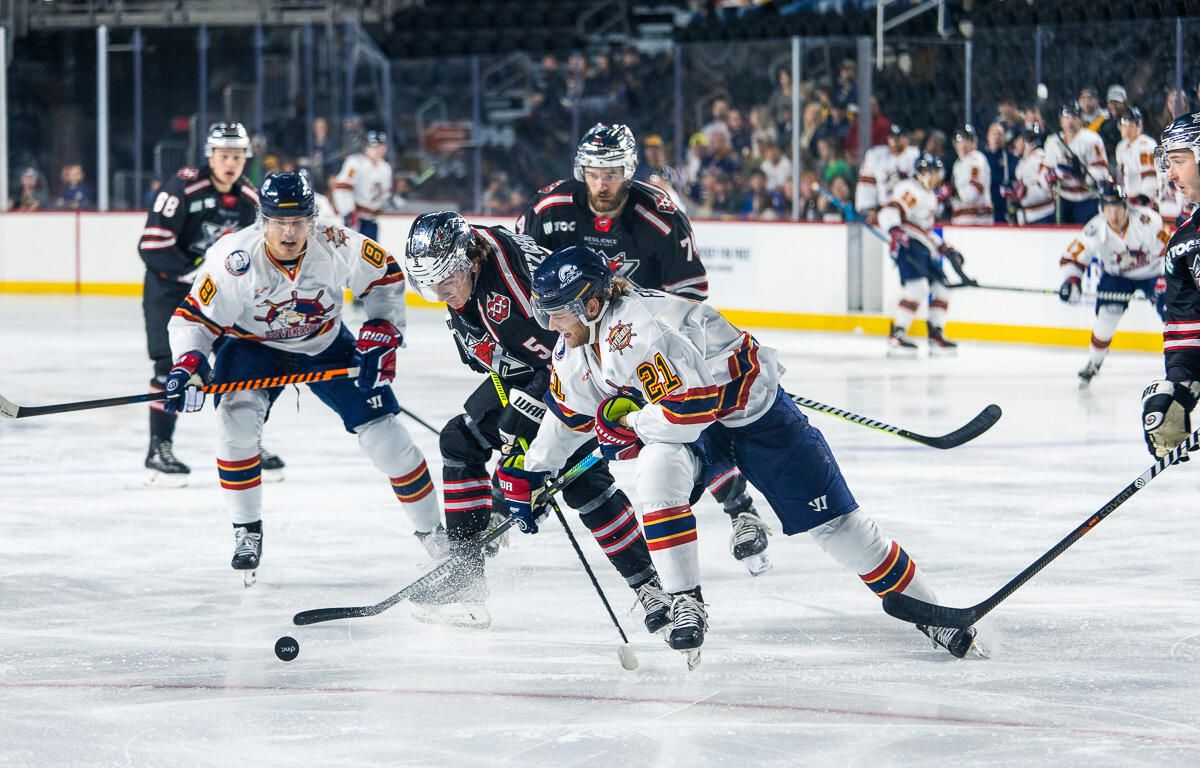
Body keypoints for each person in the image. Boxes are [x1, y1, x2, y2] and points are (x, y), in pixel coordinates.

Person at [497, 245, 986, 667]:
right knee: (656, 474)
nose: (551, 324)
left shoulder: (642, 331)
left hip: (755, 417)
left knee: (839, 530)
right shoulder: (576, 345)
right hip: (693, 424)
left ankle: (932, 615)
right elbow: (569, 415)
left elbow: (690, 410)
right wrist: (533, 468)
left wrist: (628, 425)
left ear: (592, 303)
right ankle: (686, 601)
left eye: (557, 311)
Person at [517, 122, 773, 574]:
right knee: (564, 415)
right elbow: (530, 279)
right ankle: (524, 484)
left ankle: (740, 510)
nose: (601, 184)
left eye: (612, 173)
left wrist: (653, 350)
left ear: (629, 169)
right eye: (594, 173)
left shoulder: (659, 214)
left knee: (688, 418)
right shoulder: (549, 207)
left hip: (652, 341)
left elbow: (690, 294)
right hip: (578, 337)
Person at [163, 171, 442, 584]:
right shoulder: (234, 258)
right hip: (253, 349)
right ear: (263, 220)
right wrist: (188, 362)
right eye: (279, 222)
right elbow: (193, 319)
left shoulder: (337, 242)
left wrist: (382, 327)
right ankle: (247, 529)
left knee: (389, 441)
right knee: (234, 427)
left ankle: (434, 535)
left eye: (298, 222)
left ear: (312, 219)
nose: (289, 232)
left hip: (325, 344)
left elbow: (385, 275)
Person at [402, 211, 673, 630]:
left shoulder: (510, 290)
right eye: (429, 286)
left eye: (447, 282)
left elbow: (561, 364)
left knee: (582, 481)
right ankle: (464, 576)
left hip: (587, 374)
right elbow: (508, 362)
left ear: (469, 261)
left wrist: (521, 447)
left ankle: (652, 588)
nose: (440, 294)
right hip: (534, 371)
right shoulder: (471, 263)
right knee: (461, 439)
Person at [137, 122, 284, 485]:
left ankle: (247, 442)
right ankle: (159, 449)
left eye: (237, 156)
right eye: (223, 155)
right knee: (167, 368)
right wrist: (194, 272)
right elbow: (152, 246)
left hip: (220, 294)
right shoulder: (183, 186)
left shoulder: (250, 198)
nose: (230, 162)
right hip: (169, 292)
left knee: (245, 363)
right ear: (210, 156)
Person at [1060, 181, 1168, 385]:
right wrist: (1072, 281)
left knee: (1173, 313)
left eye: (1117, 207)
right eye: (1108, 208)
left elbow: (1172, 252)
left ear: (1126, 206)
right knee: (1106, 319)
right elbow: (1072, 259)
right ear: (1102, 209)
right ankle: (1094, 363)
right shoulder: (1094, 229)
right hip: (1117, 277)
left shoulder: (1148, 221)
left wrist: (1170, 277)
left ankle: (1188, 362)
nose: (1114, 214)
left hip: (1153, 273)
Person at [1141, 112, 1200, 460]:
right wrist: (1177, 391)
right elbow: (1187, 334)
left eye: (1179, 161)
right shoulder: (1182, 243)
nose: (1171, 174)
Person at [879, 154, 974, 357]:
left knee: (942, 288)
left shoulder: (929, 196)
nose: (937, 178)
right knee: (917, 289)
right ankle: (898, 333)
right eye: (934, 173)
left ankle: (935, 334)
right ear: (923, 173)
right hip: (909, 245)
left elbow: (926, 229)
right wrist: (895, 230)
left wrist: (943, 247)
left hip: (924, 246)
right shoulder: (910, 189)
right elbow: (889, 212)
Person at [1044, 102, 1109, 224]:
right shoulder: (1052, 141)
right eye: (1066, 117)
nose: (1070, 121)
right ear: (1060, 121)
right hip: (1064, 198)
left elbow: (1102, 172)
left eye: (1074, 117)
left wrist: (1081, 174)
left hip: (1088, 198)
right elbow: (1047, 170)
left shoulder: (1092, 139)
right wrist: (1051, 176)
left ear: (1080, 119)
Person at [332, 130, 392, 242]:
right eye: (375, 146)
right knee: (352, 254)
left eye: (382, 146)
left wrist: (391, 202)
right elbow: (342, 188)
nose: (379, 149)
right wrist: (347, 212)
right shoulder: (355, 163)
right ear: (366, 147)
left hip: (372, 220)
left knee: (371, 257)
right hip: (356, 219)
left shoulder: (385, 167)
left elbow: (384, 195)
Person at [854, 124, 918, 225]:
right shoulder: (876, 156)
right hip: (884, 214)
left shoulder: (917, 157)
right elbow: (866, 185)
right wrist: (869, 209)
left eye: (899, 137)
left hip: (911, 215)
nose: (895, 141)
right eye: (892, 137)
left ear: (907, 139)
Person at [1003, 124, 1055, 225]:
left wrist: (1023, 193)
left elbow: (1048, 190)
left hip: (1043, 215)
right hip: (1026, 216)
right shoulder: (1023, 162)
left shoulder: (1041, 159)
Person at [949, 125, 993, 225]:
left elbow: (972, 194)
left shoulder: (976, 161)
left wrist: (955, 192)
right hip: (962, 219)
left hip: (977, 221)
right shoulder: (958, 164)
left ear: (973, 142)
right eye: (960, 141)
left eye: (966, 140)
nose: (962, 144)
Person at [1114, 108, 1158, 208]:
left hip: (1143, 200)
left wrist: (1145, 197)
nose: (1127, 129)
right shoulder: (1121, 146)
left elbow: (1149, 175)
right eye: (1124, 126)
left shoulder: (1146, 145)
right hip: (1127, 199)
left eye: (1131, 125)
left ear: (1139, 126)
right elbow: (1120, 175)